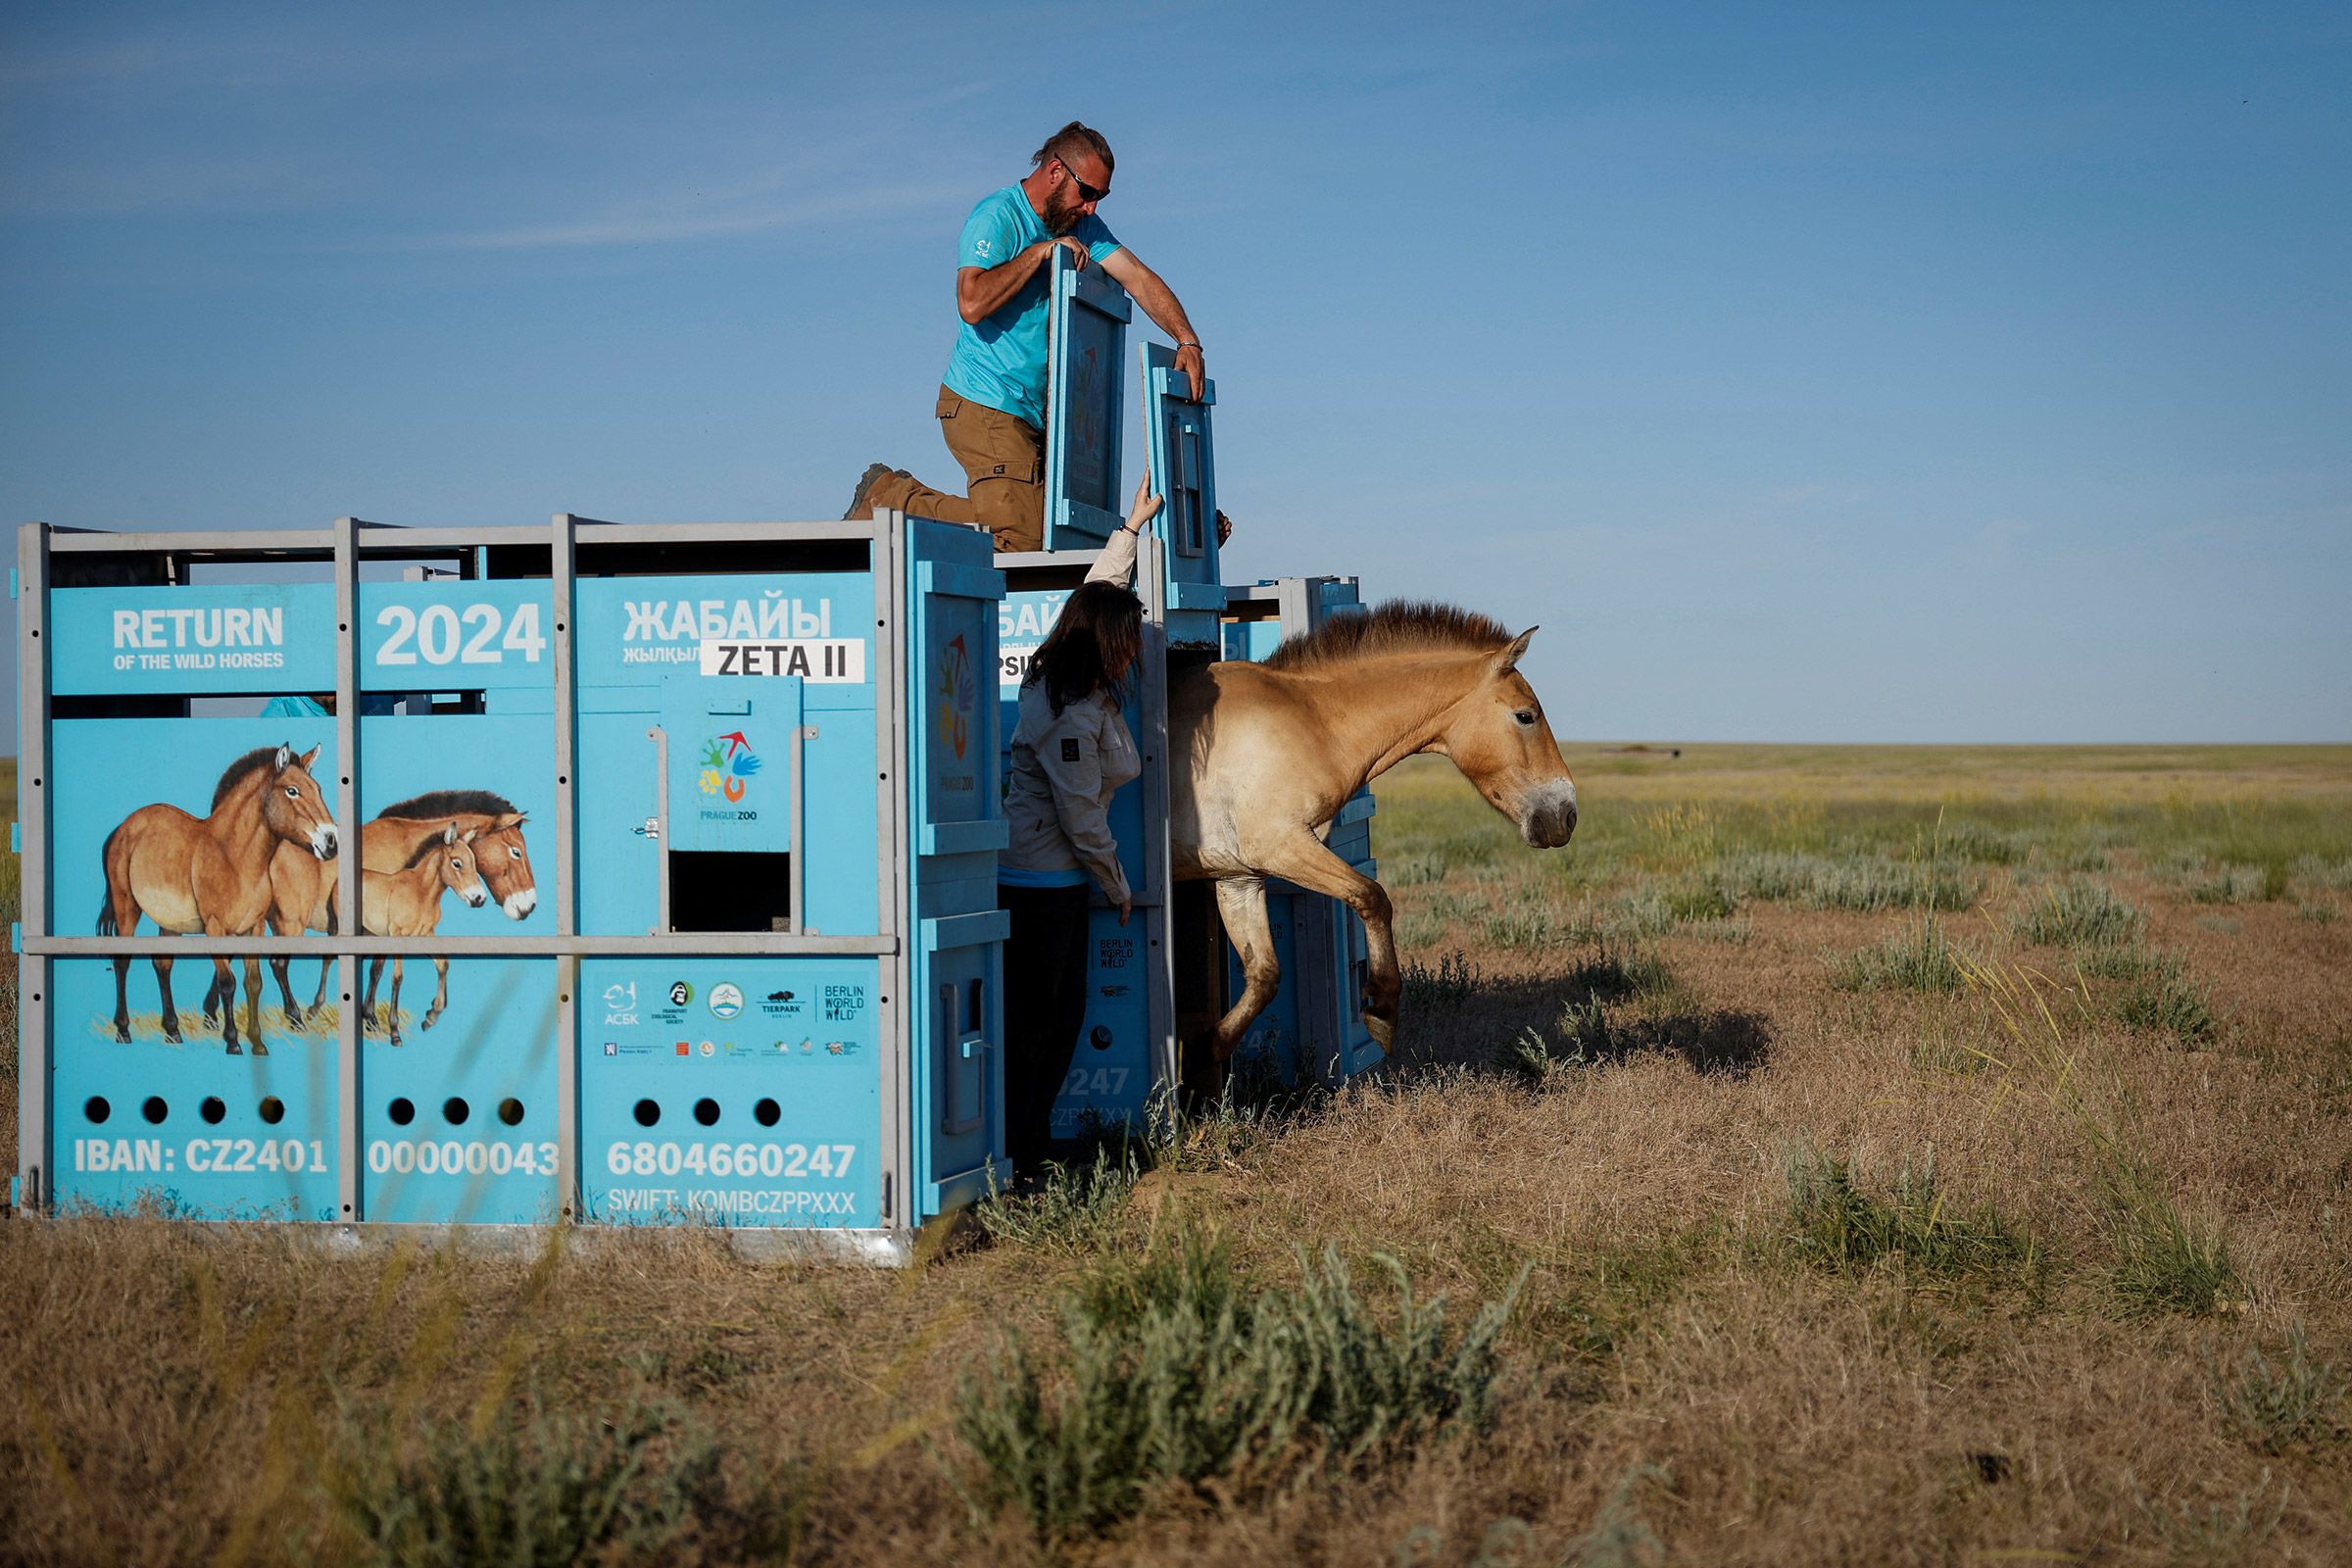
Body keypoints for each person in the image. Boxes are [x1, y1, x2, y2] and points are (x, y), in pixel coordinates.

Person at [849, 121, 1206, 553]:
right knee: (1024, 539)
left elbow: (1137, 278)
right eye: (1087, 193)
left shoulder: (1084, 228)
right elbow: (972, 302)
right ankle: (894, 499)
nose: (1091, 209)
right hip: (984, 400)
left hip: (1038, 416)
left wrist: (1187, 340)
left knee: (1057, 535)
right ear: (1056, 171)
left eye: (1101, 197)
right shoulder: (998, 216)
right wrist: (1038, 254)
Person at [997, 472, 1162, 1171]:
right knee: (1040, 1026)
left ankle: (1024, 1149)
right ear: (1104, 644)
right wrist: (1119, 887)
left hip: (1053, 884)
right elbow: (1080, 818)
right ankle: (1021, 1155)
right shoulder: (1068, 708)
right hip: (1041, 885)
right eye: (1127, 639)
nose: (1133, 651)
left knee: (1056, 1021)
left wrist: (1130, 529)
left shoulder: (1075, 680)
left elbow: (1090, 596)